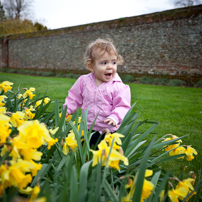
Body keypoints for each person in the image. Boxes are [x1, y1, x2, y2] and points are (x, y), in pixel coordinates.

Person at [63, 38, 131, 148]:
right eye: (104, 63)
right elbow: (74, 97)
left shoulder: (118, 86)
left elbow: (122, 106)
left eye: (113, 62)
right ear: (91, 66)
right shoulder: (83, 81)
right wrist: (67, 109)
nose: (110, 66)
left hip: (107, 131)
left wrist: (115, 117)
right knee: (85, 154)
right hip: (86, 128)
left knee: (102, 158)